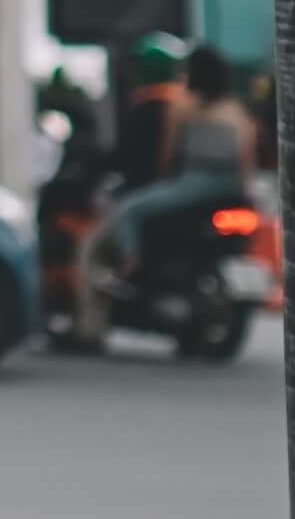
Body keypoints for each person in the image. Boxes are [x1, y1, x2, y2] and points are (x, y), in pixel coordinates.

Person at [82, 40, 258, 323]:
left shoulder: (183, 108)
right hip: (233, 189)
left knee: (128, 210)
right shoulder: (237, 112)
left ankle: (130, 265)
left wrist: (163, 181)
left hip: (193, 182)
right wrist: (247, 193)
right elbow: (246, 160)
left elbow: (168, 155)